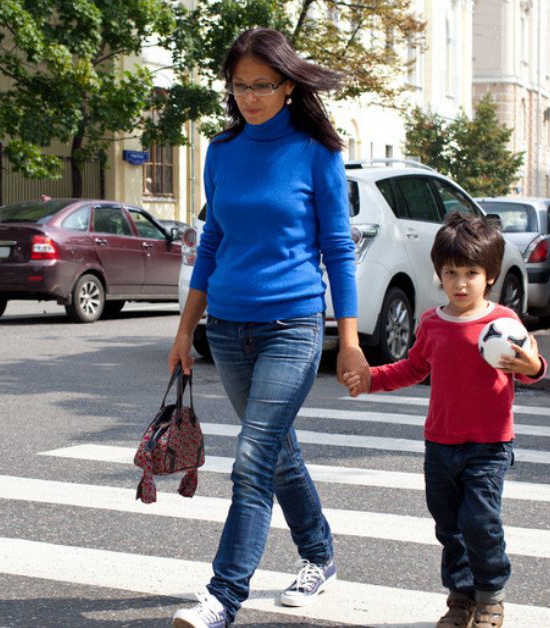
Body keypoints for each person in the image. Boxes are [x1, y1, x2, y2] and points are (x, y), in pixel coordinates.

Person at [167, 27, 369, 628]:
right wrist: (185, 331)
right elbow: (213, 242)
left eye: (262, 84)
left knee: (252, 458)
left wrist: (350, 342)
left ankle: (222, 597)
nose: (249, 96)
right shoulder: (222, 151)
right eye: (239, 85)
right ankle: (320, 555)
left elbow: (338, 248)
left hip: (293, 326)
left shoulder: (316, 152)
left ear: (288, 84)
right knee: (277, 452)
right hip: (228, 328)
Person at [342, 211, 546, 628]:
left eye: (471, 272)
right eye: (451, 272)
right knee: (449, 528)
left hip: (488, 445)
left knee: (480, 521)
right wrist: (370, 379)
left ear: (489, 275)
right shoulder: (432, 323)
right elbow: (412, 368)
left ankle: (491, 595)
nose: (460, 283)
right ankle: (460, 597)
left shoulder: (504, 324)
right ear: (439, 274)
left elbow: (532, 368)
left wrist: (533, 364)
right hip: (440, 444)